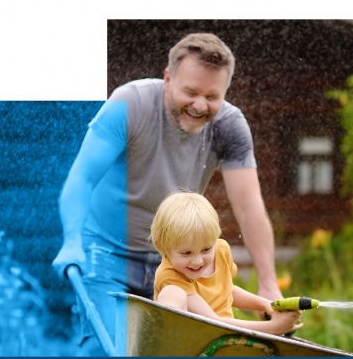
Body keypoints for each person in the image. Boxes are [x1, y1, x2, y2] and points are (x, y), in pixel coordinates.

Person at [51, 33, 283, 354]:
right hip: (107, 254)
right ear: (168, 79)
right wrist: (72, 240)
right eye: (190, 92)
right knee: (113, 350)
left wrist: (268, 281)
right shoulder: (129, 104)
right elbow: (81, 179)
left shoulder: (230, 125)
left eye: (213, 96)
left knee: (176, 349)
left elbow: (249, 207)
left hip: (177, 262)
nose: (200, 105)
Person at [150, 191, 302, 335]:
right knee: (173, 294)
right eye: (186, 253)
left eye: (206, 249)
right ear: (164, 248)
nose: (198, 261)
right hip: (196, 342)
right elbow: (213, 322)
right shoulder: (169, 276)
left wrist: (265, 304)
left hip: (226, 341)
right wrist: (272, 328)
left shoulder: (221, 250)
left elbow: (227, 289)